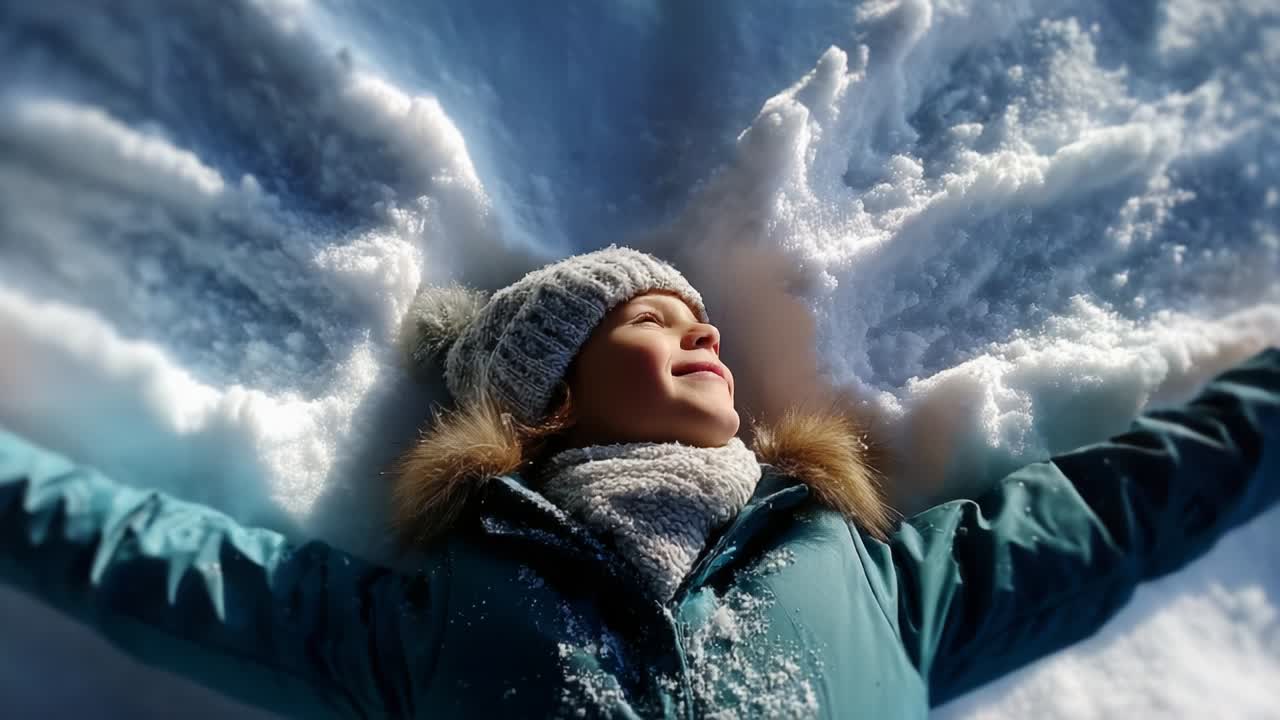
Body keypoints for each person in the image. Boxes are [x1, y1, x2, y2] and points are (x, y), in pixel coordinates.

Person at [0, 245, 1277, 719]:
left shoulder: (870, 579)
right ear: (551, 394)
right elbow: (147, 557)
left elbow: (1134, 496)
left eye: (699, 308)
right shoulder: (426, 616)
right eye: (652, 316)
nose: (701, 326)